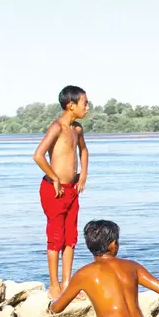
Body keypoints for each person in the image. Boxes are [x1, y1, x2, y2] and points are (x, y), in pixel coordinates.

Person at [33, 85, 90, 299]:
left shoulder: (77, 129)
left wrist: (83, 174)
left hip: (72, 189)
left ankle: (68, 282)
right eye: (85, 103)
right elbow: (38, 155)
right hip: (54, 190)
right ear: (71, 105)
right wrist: (54, 177)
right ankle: (54, 284)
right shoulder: (57, 127)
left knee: (70, 237)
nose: (88, 107)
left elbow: (83, 151)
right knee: (55, 236)